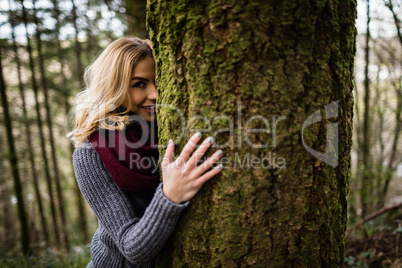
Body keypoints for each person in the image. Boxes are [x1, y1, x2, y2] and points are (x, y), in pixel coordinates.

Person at [71, 37, 223, 267]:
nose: (155, 94)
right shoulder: (90, 153)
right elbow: (131, 248)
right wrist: (170, 195)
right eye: (139, 84)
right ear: (114, 86)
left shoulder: (165, 128)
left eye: (157, 82)